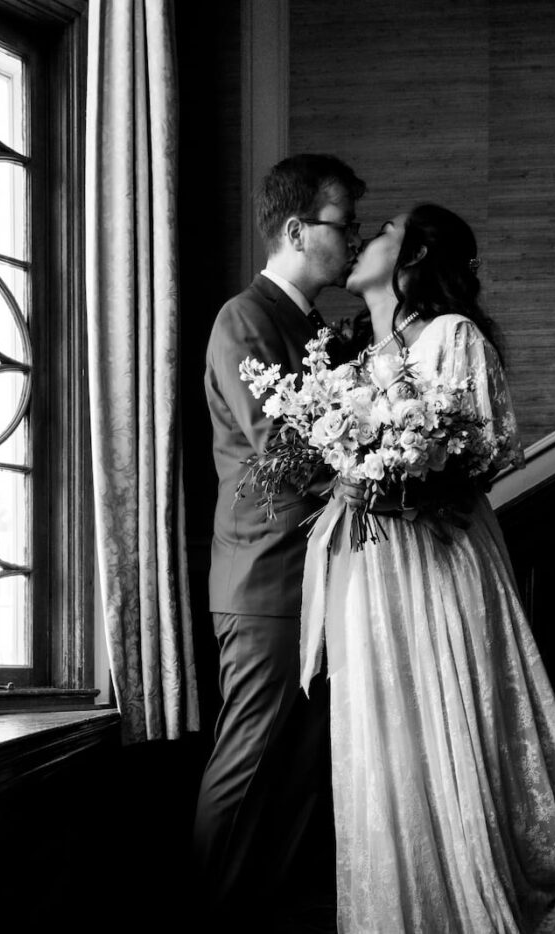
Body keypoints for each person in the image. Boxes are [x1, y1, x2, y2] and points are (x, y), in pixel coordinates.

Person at [300, 203, 555, 933]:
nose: (361, 241)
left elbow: (484, 452)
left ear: (414, 256)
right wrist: (347, 479)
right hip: (369, 571)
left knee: (450, 716)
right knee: (384, 731)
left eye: (381, 232)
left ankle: (467, 879)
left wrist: (405, 475)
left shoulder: (453, 336)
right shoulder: (354, 358)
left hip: (437, 558)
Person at [194, 153, 366, 932]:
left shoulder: (315, 328)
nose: (355, 237)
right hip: (263, 584)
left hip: (321, 583)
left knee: (300, 775)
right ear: (298, 230)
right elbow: (279, 450)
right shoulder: (244, 318)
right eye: (344, 223)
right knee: (251, 762)